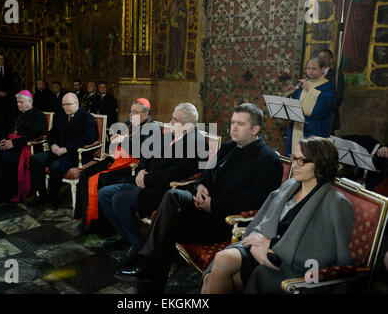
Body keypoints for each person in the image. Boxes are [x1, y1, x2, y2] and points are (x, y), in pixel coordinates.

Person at [115, 103, 284, 293]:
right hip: (200, 208)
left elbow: (256, 203)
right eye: (232, 122)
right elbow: (206, 174)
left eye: (240, 124)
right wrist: (202, 185)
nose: (233, 127)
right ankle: (148, 273)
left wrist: (214, 205)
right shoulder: (229, 147)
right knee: (172, 196)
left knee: (167, 224)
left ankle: (146, 271)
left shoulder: (269, 160)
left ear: (255, 129)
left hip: (224, 221)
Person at [201, 136, 353, 294]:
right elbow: (263, 219)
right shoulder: (290, 185)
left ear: (321, 163)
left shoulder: (336, 203)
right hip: (261, 246)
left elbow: (322, 253)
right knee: (212, 274)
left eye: (302, 161)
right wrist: (257, 245)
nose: (295, 165)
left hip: (289, 264)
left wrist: (270, 245)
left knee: (221, 268)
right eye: (294, 158)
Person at [98, 102, 210, 270]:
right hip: (145, 180)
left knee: (119, 199)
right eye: (172, 117)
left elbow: (175, 173)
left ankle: (138, 247)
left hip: (167, 190)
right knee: (104, 194)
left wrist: (147, 178)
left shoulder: (198, 143)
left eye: (175, 119)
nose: (170, 122)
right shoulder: (168, 134)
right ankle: (128, 237)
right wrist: (142, 169)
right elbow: (146, 154)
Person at [74, 98, 158, 234]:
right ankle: (87, 219)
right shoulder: (130, 123)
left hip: (133, 166)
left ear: (146, 113)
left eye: (135, 112)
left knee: (100, 179)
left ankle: (103, 225)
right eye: (131, 111)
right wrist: (114, 138)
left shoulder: (152, 129)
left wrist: (124, 140)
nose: (131, 115)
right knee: (85, 174)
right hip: (118, 160)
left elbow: (144, 152)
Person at [30, 93, 96, 208]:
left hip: (76, 153)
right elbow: (51, 133)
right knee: (35, 159)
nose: (65, 107)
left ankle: (54, 198)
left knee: (54, 166)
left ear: (77, 103)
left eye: (68, 104)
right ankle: (42, 195)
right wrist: (53, 145)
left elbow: (88, 139)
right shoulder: (63, 116)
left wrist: (66, 149)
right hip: (58, 150)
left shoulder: (87, 117)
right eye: (63, 105)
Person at [0, 90, 46, 203]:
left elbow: (35, 133)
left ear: (30, 101)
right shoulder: (16, 114)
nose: (19, 104)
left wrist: (13, 143)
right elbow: (5, 128)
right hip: (10, 143)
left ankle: (7, 192)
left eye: (21, 102)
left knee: (5, 157)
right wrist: (3, 139)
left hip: (24, 146)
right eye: (18, 102)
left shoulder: (38, 115)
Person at [284, 57, 336, 156]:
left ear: (322, 69)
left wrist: (311, 90)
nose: (310, 71)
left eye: (314, 69)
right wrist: (290, 94)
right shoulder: (301, 84)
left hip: (314, 127)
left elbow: (327, 104)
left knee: (311, 156)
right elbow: (294, 105)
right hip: (296, 126)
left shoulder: (328, 85)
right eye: (308, 68)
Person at [317, 49, 345, 135]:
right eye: (319, 58)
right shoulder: (313, 74)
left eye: (324, 58)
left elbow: (338, 99)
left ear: (330, 60)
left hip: (329, 117)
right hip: (313, 117)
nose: (321, 60)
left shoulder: (337, 75)